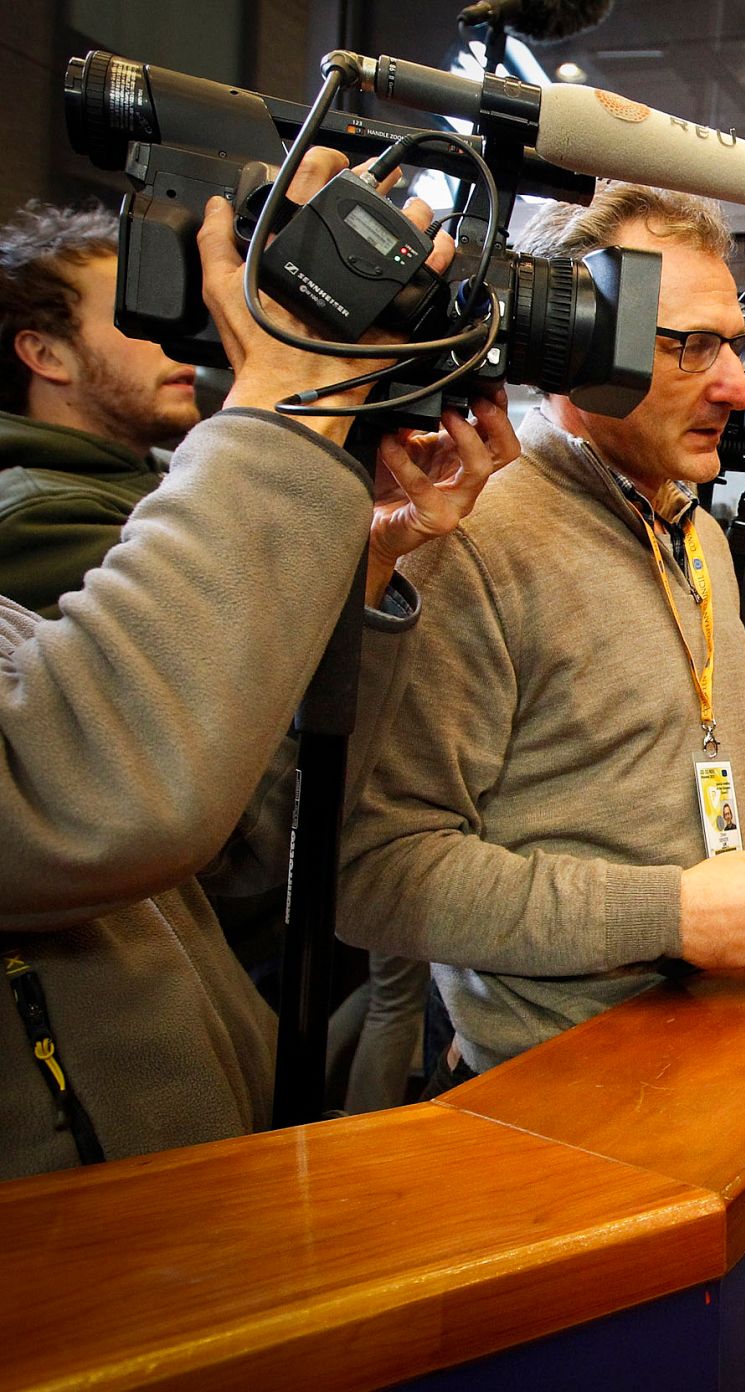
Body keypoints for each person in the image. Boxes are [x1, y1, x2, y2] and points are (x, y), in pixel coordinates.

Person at [0, 150, 516, 1180]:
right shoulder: (33, 518)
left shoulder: (195, 495)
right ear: (41, 355)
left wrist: (368, 555)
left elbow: (246, 843)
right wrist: (288, 396)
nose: (197, 326)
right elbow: (103, 795)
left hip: (178, 1185)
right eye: (143, 302)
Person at [341, 184, 745, 1091]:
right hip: (555, 1097)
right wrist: (670, 915)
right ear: (577, 347)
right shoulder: (469, 532)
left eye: (736, 345)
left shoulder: (691, 531)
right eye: (691, 346)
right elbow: (380, 874)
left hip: (717, 1053)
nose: (737, 385)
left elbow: (702, 774)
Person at [0, 202, 202, 618]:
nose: (177, 338)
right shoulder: (37, 517)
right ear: (46, 354)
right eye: (138, 317)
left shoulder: (168, 469)